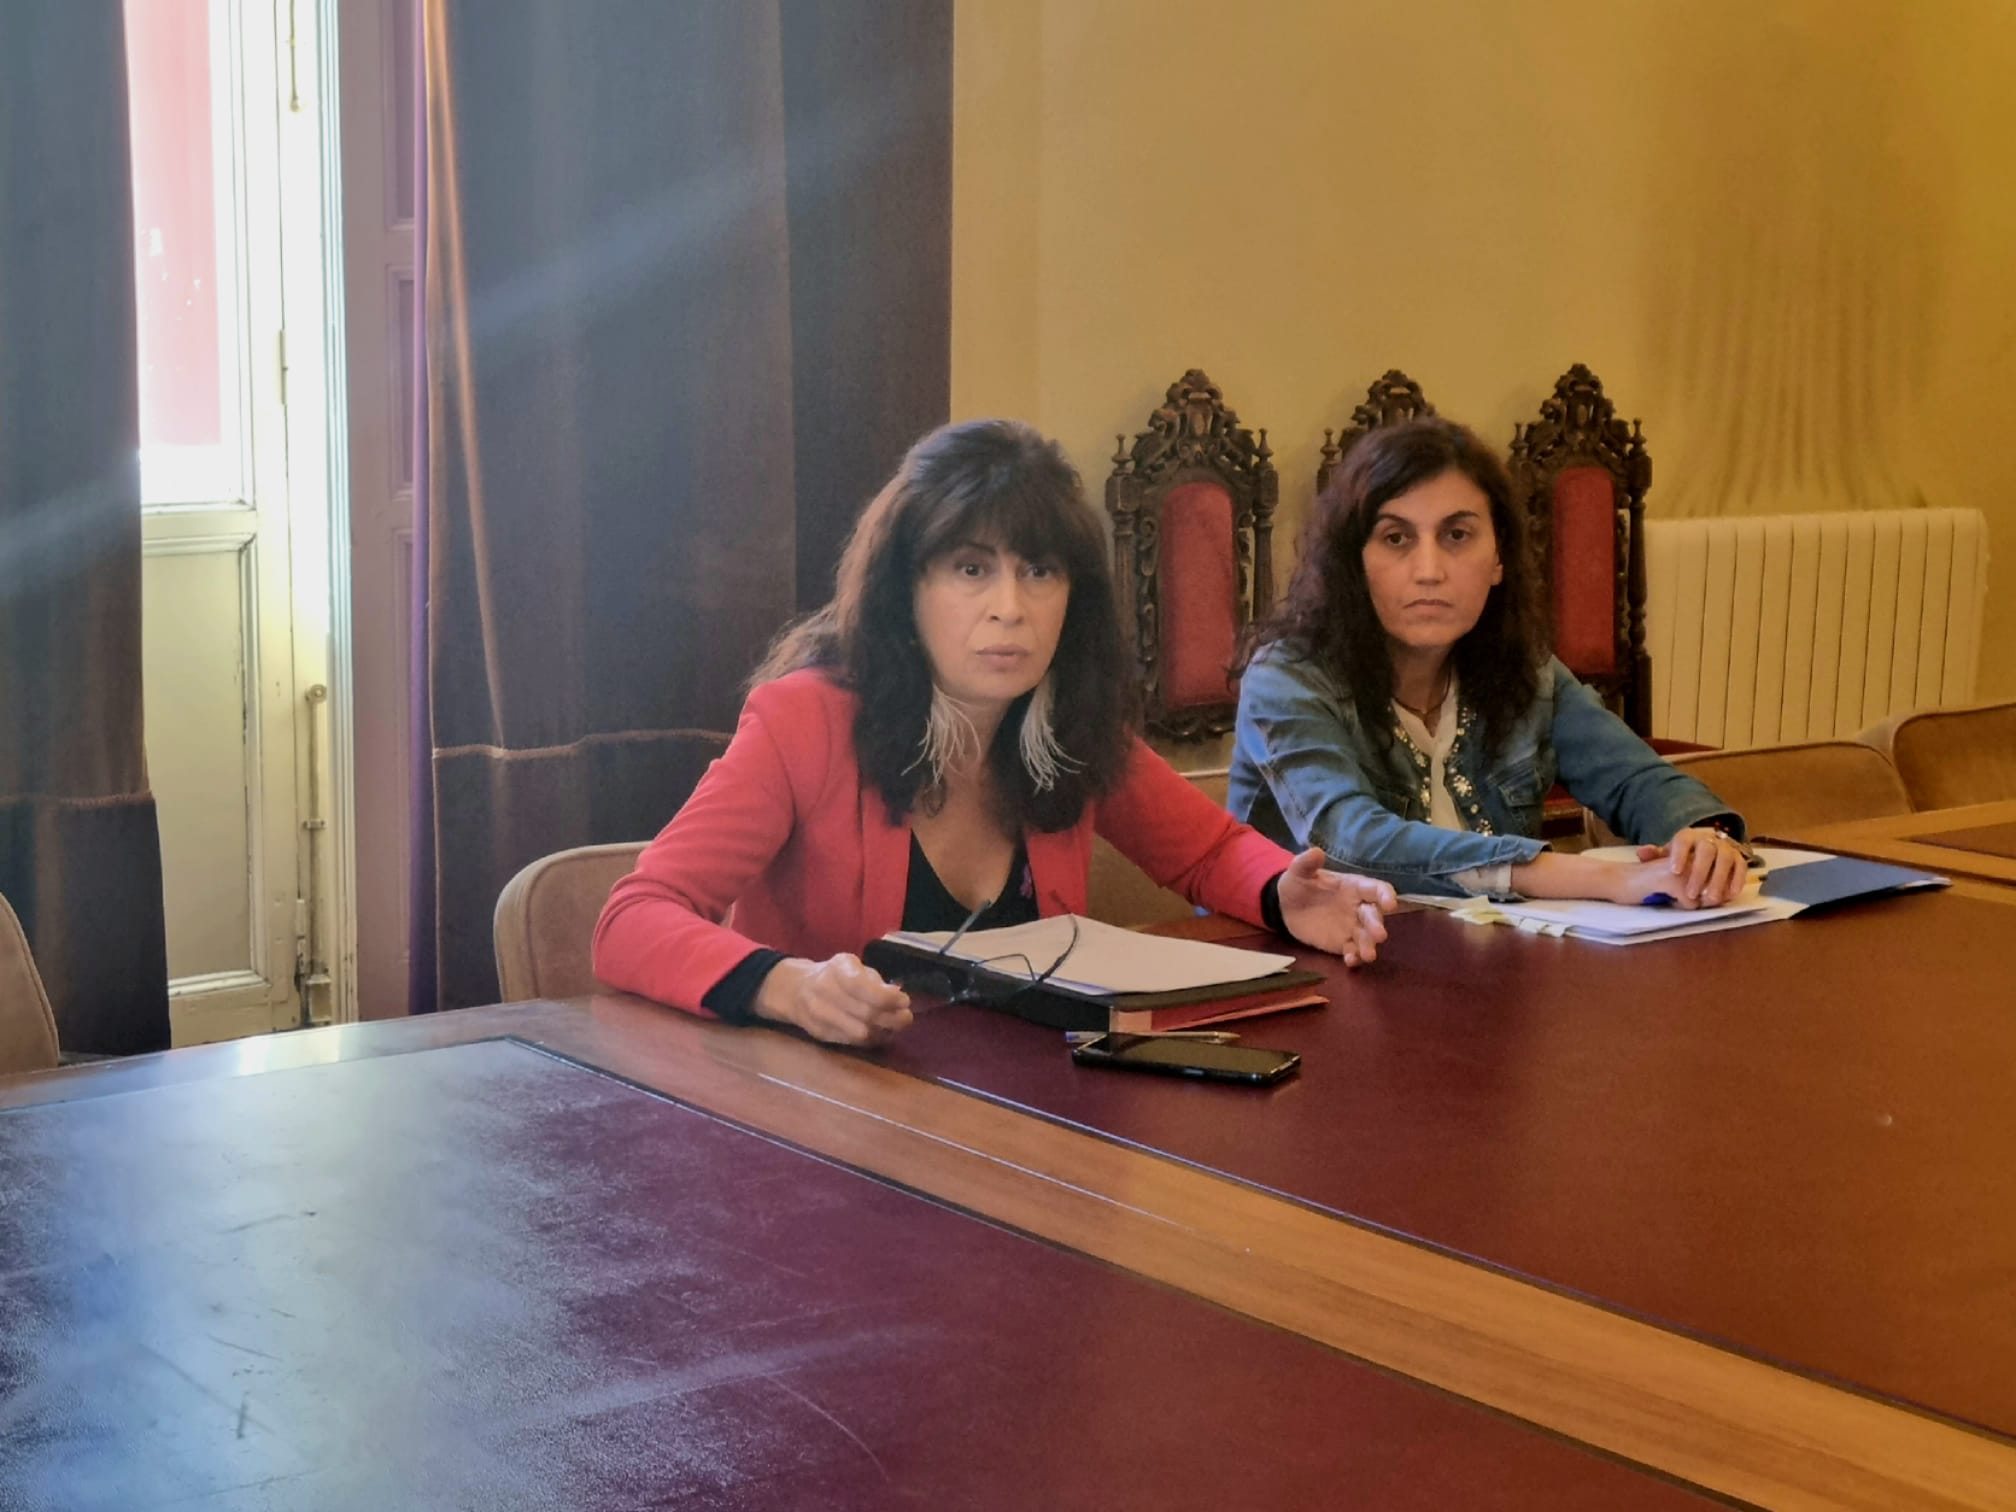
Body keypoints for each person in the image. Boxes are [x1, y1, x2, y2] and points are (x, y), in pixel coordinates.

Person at [594, 419, 1397, 1047]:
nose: (1010, 608)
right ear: (905, 588)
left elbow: (1207, 852)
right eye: (971, 569)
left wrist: (1282, 893)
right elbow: (633, 916)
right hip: (829, 1120)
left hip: (1030, 1116)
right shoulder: (802, 722)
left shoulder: (1071, 720)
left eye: (1039, 572)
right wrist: (791, 988)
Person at [1229, 417, 1750, 907]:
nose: (1429, 570)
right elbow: (1349, 842)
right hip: (1311, 961)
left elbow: (1637, 780)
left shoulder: (1527, 672)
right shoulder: (1286, 678)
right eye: (1396, 538)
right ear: (1354, 563)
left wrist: (1705, 840)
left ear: (1498, 558)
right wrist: (1601, 878)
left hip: (1489, 954)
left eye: (1457, 535)